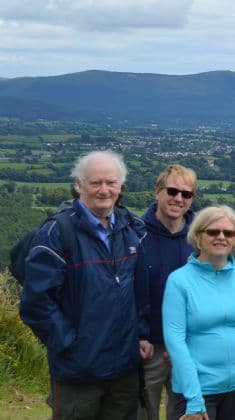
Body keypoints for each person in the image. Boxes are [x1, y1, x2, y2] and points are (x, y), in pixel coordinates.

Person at [20, 150, 150, 420]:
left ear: (121, 187)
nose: (104, 190)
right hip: (78, 373)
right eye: (95, 183)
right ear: (79, 185)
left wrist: (141, 333)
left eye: (111, 182)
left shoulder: (132, 228)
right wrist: (69, 345)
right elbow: (36, 304)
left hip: (124, 369)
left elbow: (138, 291)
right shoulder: (57, 233)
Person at [162, 205, 235, 420]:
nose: (221, 237)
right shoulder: (179, 281)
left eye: (228, 233)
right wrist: (194, 400)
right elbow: (175, 342)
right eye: (213, 231)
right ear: (199, 236)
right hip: (197, 391)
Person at [138, 164, 197, 420]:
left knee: (183, 413)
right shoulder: (135, 234)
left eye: (186, 194)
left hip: (189, 346)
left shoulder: (201, 237)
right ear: (158, 192)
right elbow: (127, 292)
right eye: (172, 191)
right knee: (142, 412)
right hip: (149, 346)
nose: (178, 198)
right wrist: (138, 335)